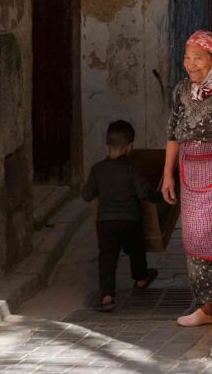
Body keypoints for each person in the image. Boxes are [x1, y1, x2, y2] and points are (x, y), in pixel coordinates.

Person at [162, 30, 212, 329]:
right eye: (187, 58)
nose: (191, 64)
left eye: (198, 58)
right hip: (190, 172)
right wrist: (167, 173)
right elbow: (173, 133)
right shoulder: (181, 91)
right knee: (193, 236)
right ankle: (206, 307)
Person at [81, 120, 159, 312]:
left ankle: (107, 296)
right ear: (130, 147)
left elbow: (86, 195)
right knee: (136, 250)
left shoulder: (98, 169)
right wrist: (159, 197)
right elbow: (144, 194)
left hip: (105, 222)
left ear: (107, 146)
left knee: (107, 258)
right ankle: (141, 278)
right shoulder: (132, 167)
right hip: (130, 220)